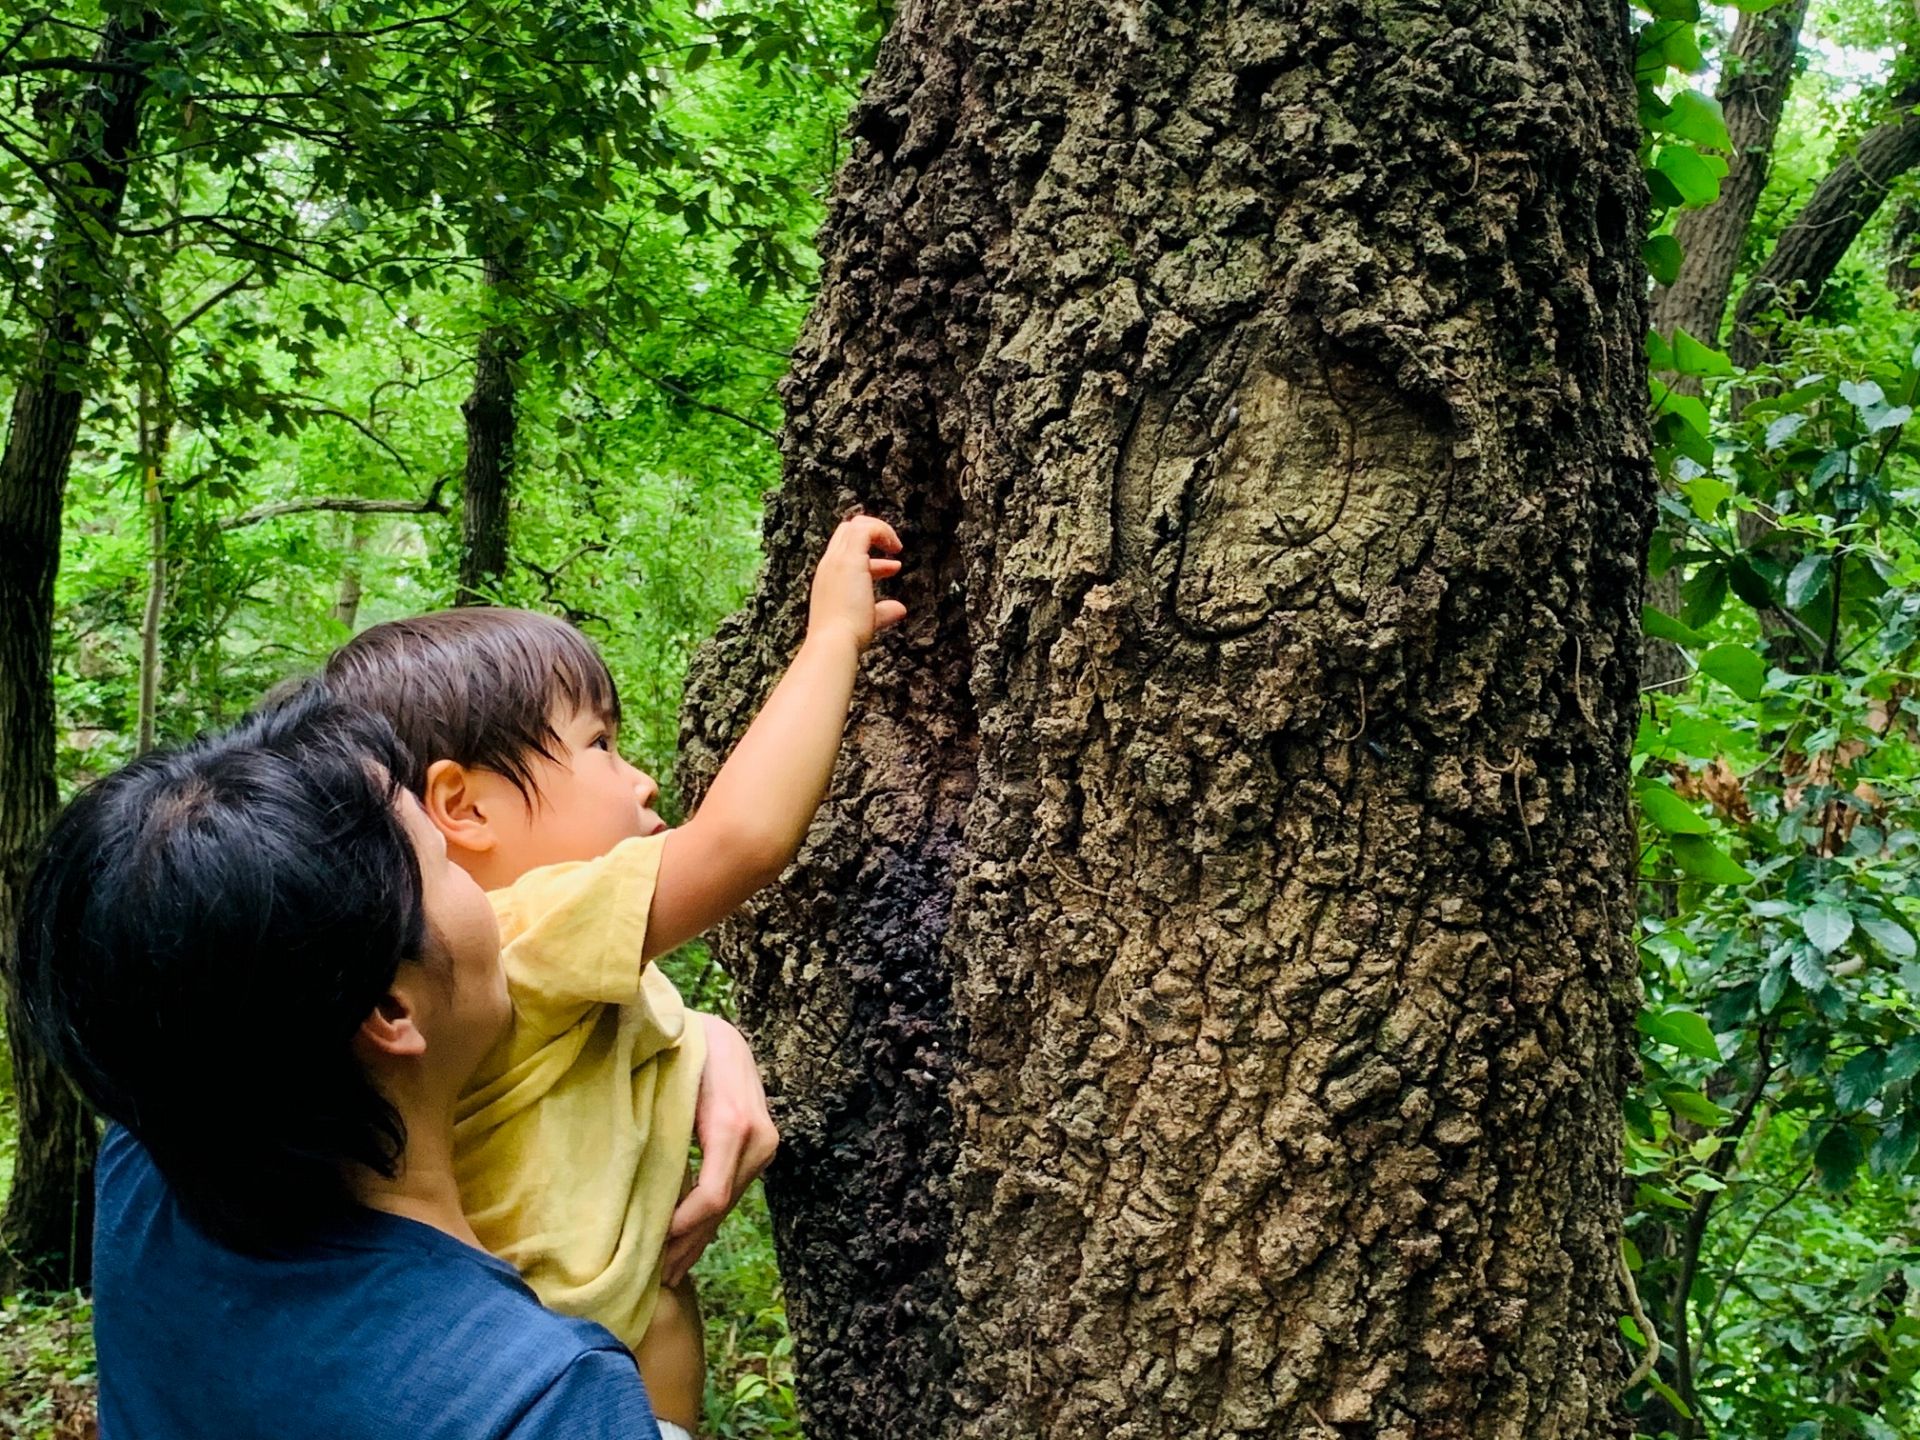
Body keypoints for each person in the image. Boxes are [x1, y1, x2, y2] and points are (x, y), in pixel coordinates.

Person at [320, 512, 906, 1437]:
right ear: (462, 805)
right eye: (599, 745)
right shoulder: (522, 922)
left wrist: (717, 1039)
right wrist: (831, 636)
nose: (640, 781)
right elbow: (744, 840)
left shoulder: (513, 961)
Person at [15, 689, 687, 1438]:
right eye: (444, 863)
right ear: (393, 1012)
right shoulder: (540, 1398)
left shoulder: (146, 1169)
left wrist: (694, 1043)